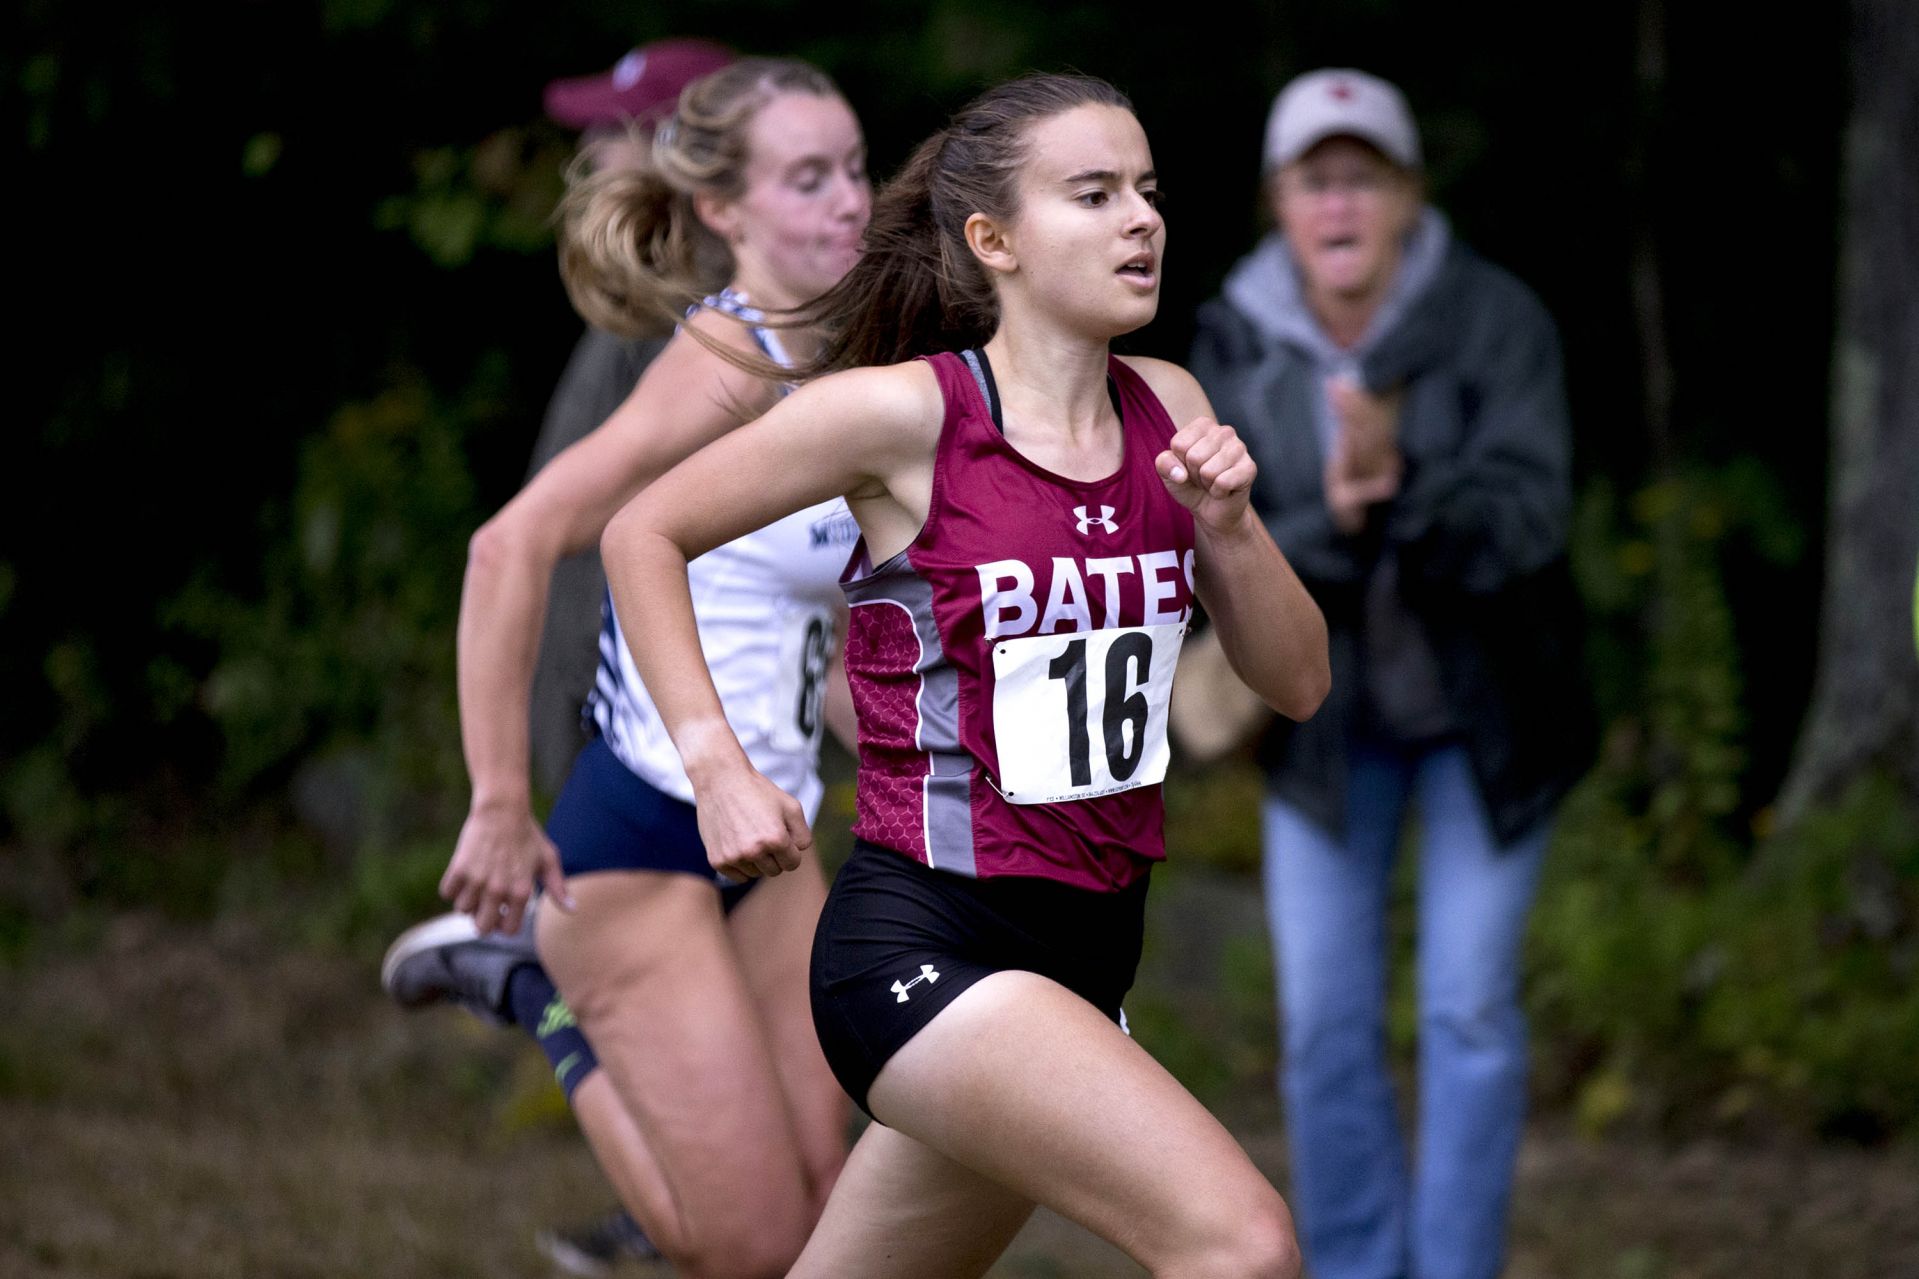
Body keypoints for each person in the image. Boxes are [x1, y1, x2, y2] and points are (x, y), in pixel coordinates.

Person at [597, 72, 1327, 1279]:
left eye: (1145, 190)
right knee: (1238, 1244)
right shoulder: (902, 419)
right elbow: (643, 531)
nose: (1139, 219)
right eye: (1091, 195)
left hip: (1085, 960)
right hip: (923, 943)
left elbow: (1297, 684)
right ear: (992, 240)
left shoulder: (1173, 412)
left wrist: (1234, 532)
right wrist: (714, 764)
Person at [387, 56, 873, 1279]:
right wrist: (498, 800)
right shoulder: (719, 364)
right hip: (643, 838)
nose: (849, 203)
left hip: (772, 833)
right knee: (752, 1244)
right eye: (807, 178)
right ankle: (531, 995)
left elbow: (784, 635)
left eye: (856, 169)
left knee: (836, 1212)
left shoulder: (853, 366)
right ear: (724, 212)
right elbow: (509, 547)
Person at [1187, 68, 1592, 1279]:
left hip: (1491, 723)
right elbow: (1221, 544)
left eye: (1362, 176)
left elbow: (1531, 519)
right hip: (1320, 733)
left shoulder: (1495, 317)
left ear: (1408, 196)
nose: (1339, 203)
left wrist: (1406, 480)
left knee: (1466, 1011)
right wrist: (1342, 511)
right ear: (1280, 205)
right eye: (1316, 180)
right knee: (1321, 1027)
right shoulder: (1232, 332)